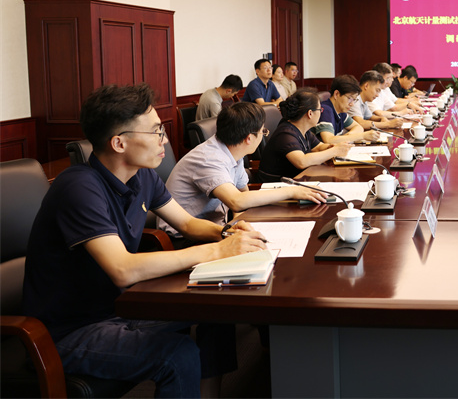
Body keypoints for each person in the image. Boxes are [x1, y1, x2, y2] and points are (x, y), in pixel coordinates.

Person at [23, 84, 267, 397]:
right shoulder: (78, 188)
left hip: (121, 307)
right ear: (119, 142)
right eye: (155, 131)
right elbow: (122, 269)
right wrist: (217, 250)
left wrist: (227, 233)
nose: (164, 139)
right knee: (177, 355)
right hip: (68, 331)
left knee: (216, 310)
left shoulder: (143, 176)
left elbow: (187, 223)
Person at [160, 102, 328, 241]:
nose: (263, 135)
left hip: (219, 226)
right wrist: (291, 191)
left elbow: (243, 195)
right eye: (263, 131)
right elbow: (237, 201)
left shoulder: (233, 150)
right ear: (249, 138)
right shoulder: (209, 158)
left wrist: (241, 223)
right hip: (184, 237)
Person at [259, 89, 353, 179]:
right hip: (276, 186)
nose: (321, 113)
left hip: (296, 180)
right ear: (310, 113)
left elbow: (318, 147)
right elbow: (302, 162)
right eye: (320, 110)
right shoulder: (286, 134)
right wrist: (335, 151)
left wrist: (333, 147)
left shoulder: (303, 129)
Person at [315, 75, 382, 144]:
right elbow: (329, 140)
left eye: (354, 100)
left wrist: (347, 137)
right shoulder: (326, 110)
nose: (352, 104)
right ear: (336, 94)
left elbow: (358, 127)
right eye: (349, 98)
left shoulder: (341, 112)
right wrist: (361, 136)